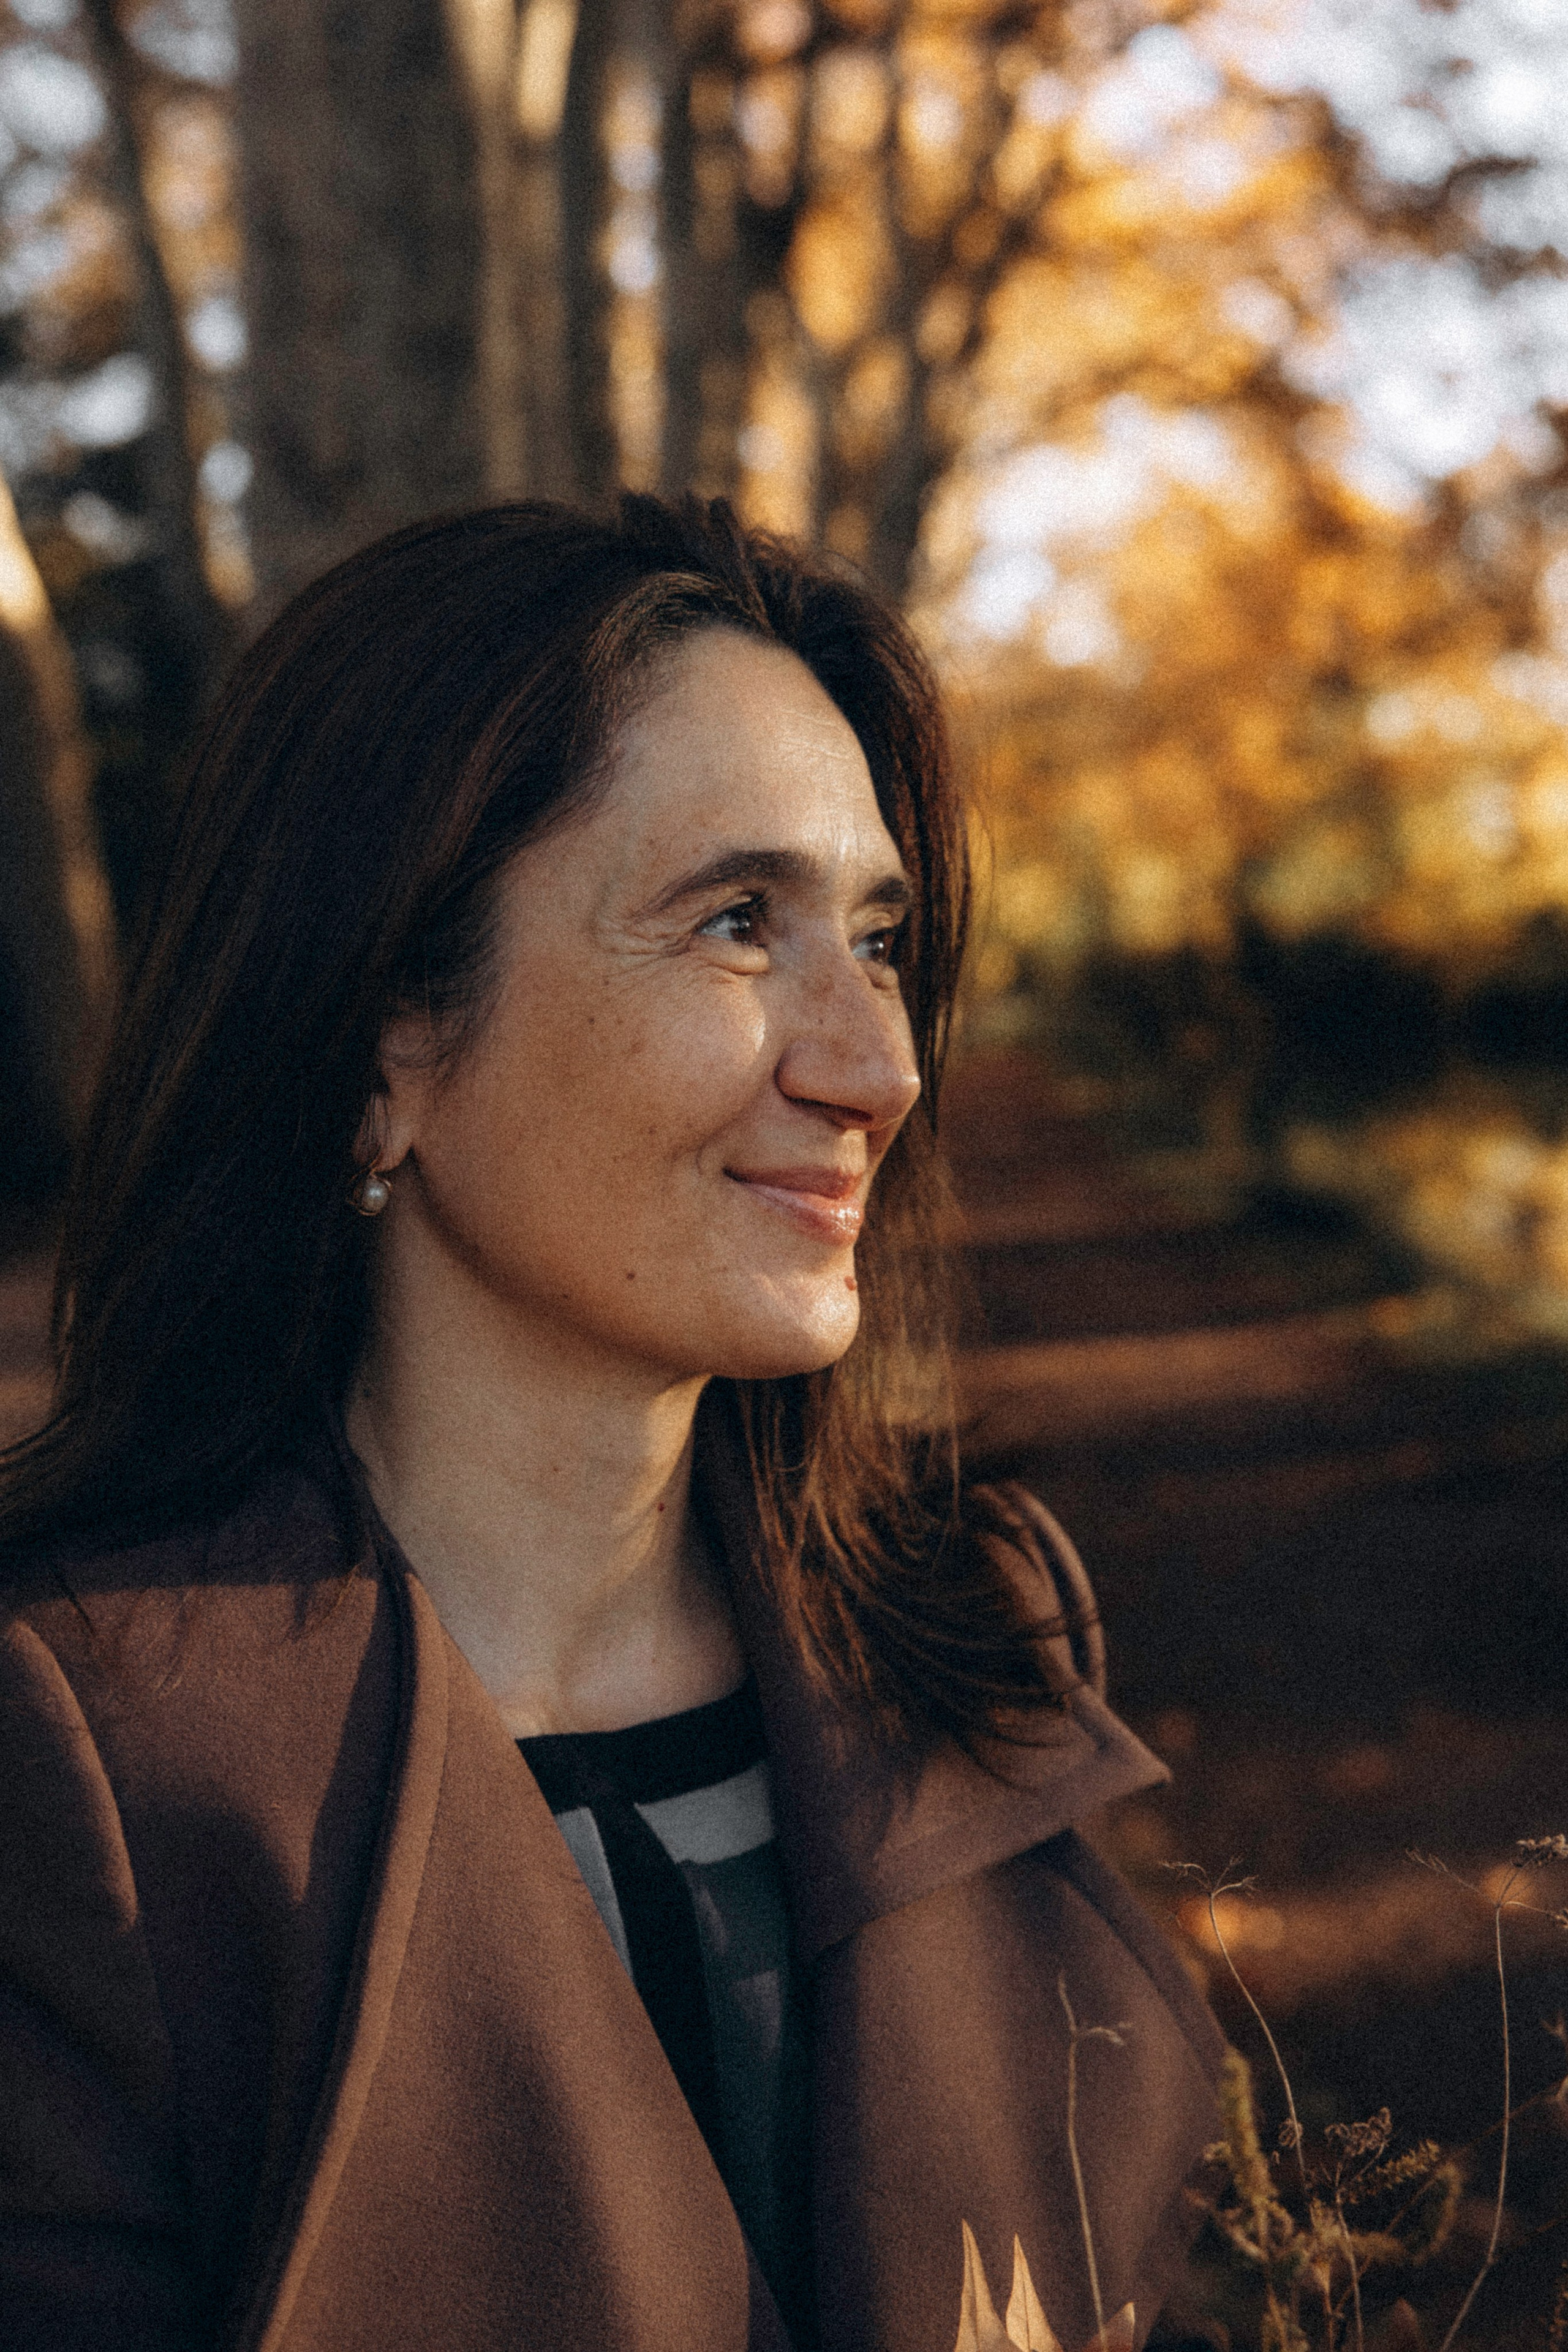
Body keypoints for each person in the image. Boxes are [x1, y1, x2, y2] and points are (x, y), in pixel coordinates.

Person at [0, 496, 1221, 2352]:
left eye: (878, 937)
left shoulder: (969, 1640)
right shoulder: (89, 1779)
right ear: (380, 1045)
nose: (876, 1065)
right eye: (741, 924)